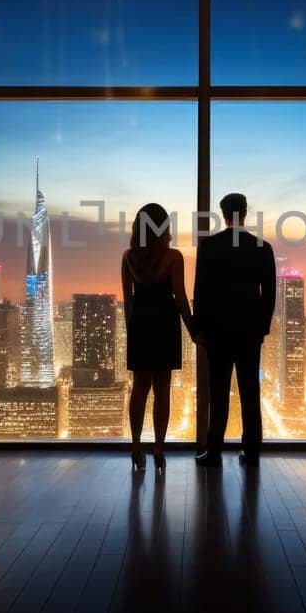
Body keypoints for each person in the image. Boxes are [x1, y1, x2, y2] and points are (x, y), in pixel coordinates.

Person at [193, 192, 276, 467]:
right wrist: (262, 327)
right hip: (249, 330)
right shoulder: (262, 247)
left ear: (223, 213)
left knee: (218, 392)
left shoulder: (209, 246)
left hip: (217, 329)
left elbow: (200, 291)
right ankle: (252, 451)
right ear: (246, 212)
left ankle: (214, 451)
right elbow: (269, 293)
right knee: (250, 392)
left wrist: (199, 328)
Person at [121, 203, 197, 475]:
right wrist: (192, 329)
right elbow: (179, 297)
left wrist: (131, 333)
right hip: (165, 323)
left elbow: (128, 299)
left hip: (140, 323)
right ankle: (159, 448)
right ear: (164, 228)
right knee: (162, 388)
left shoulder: (128, 257)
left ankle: (136, 445)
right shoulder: (174, 257)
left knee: (139, 387)